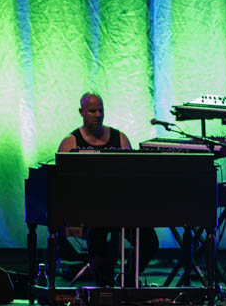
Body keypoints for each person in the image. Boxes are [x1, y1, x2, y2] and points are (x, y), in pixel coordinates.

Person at [57, 92, 158, 287]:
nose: (98, 115)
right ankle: (104, 288)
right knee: (99, 240)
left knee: (149, 241)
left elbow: (132, 176)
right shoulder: (71, 142)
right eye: (92, 111)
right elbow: (63, 184)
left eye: (101, 110)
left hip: (121, 209)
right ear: (81, 112)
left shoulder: (119, 138)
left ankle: (127, 280)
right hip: (89, 211)